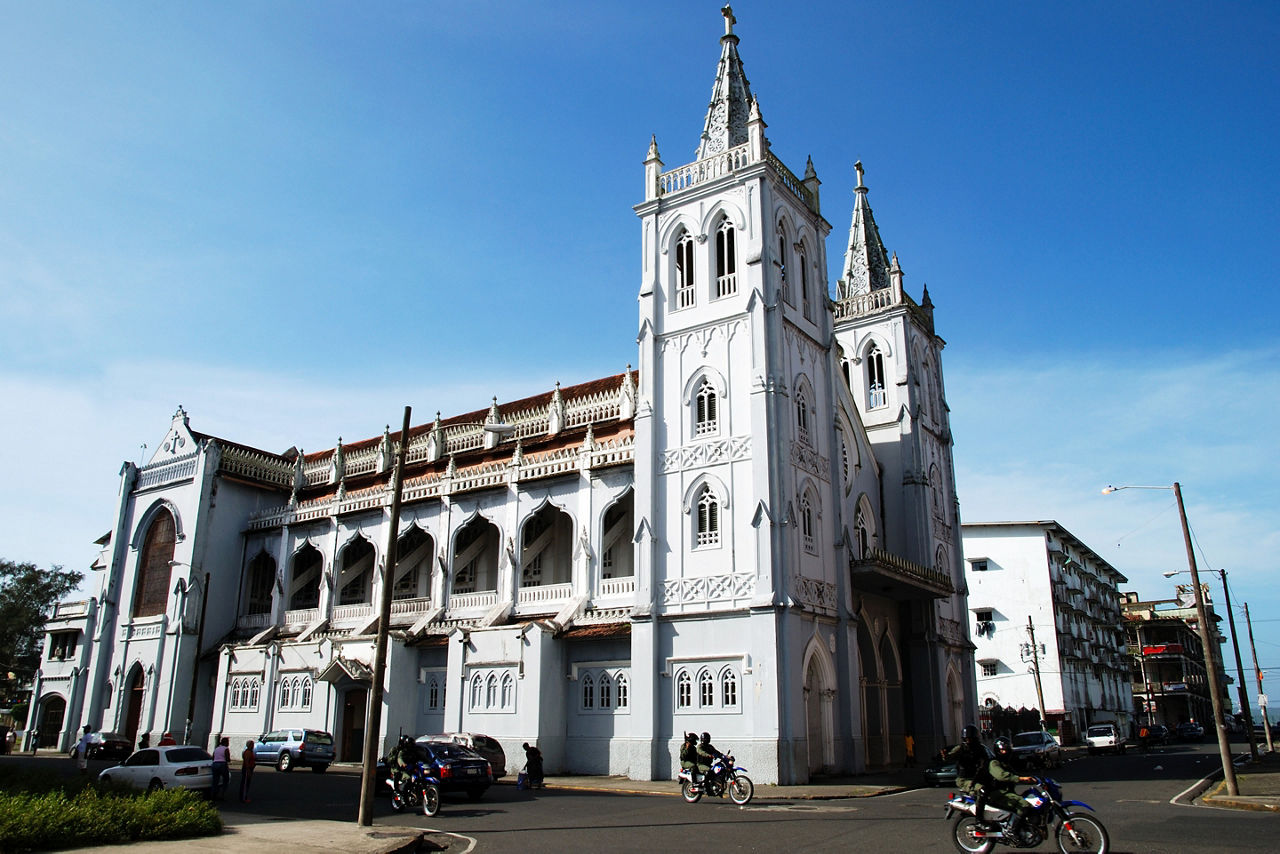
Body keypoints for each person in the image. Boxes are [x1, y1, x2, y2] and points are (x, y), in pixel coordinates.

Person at [982, 737, 1038, 836]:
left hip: (1007, 793)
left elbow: (1016, 775)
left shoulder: (1005, 764)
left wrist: (1034, 779)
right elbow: (1002, 775)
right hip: (997, 794)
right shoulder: (994, 763)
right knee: (1024, 805)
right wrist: (1021, 779)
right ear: (997, 751)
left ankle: (1025, 827)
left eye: (1007, 750)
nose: (1006, 752)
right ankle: (1013, 831)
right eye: (1003, 750)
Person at [944, 725, 995, 829]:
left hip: (978, 777)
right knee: (982, 791)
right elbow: (950, 756)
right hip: (964, 780)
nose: (969, 741)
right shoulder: (961, 748)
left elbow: (989, 760)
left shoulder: (980, 748)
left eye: (971, 738)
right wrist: (945, 755)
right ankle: (979, 821)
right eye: (967, 739)